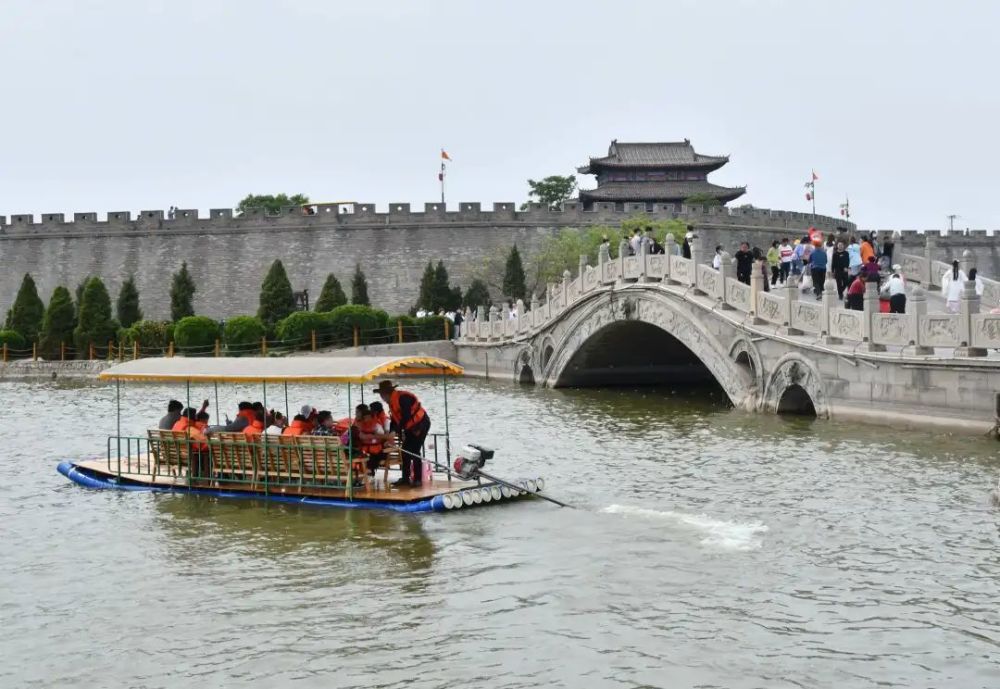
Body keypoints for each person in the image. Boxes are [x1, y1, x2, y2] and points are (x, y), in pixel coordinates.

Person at [374, 379, 430, 487]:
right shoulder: (391, 403)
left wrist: (396, 431)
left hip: (421, 424)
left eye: (382, 395)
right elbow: (394, 420)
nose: (381, 398)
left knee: (414, 451)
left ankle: (418, 479)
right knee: (405, 452)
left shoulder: (403, 398)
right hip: (410, 427)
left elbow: (406, 416)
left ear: (386, 394)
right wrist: (392, 433)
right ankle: (405, 478)